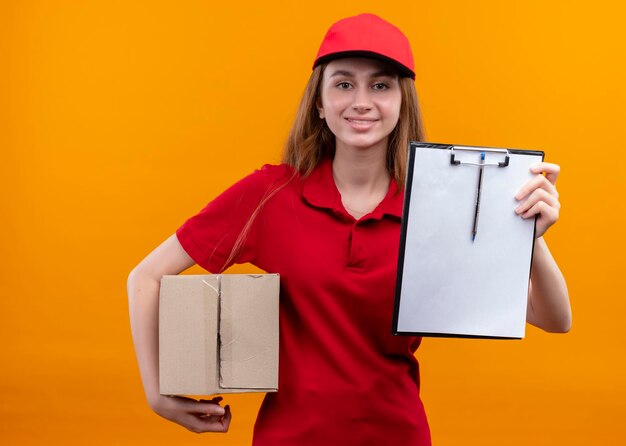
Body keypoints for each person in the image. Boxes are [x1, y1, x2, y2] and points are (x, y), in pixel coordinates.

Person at [127, 13, 571, 445]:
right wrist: (156, 394)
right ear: (319, 102)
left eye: (380, 85)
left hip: (399, 435)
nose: (362, 100)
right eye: (343, 84)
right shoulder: (269, 194)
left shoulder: (440, 205)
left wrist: (529, 239)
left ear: (401, 102)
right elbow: (144, 277)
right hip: (289, 438)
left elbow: (554, 318)